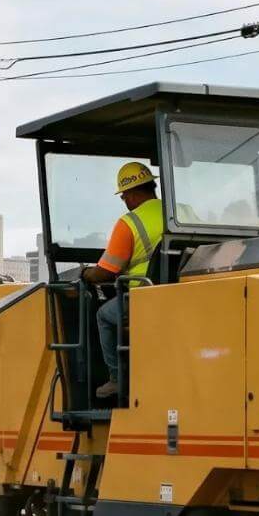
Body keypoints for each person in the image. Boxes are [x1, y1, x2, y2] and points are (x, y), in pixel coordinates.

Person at [79, 161, 164, 398]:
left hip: (143, 298)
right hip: (181, 292)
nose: (125, 202)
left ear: (133, 193)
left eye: (124, 196)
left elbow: (105, 272)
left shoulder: (129, 223)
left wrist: (86, 273)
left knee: (103, 315)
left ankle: (117, 378)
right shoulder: (181, 211)